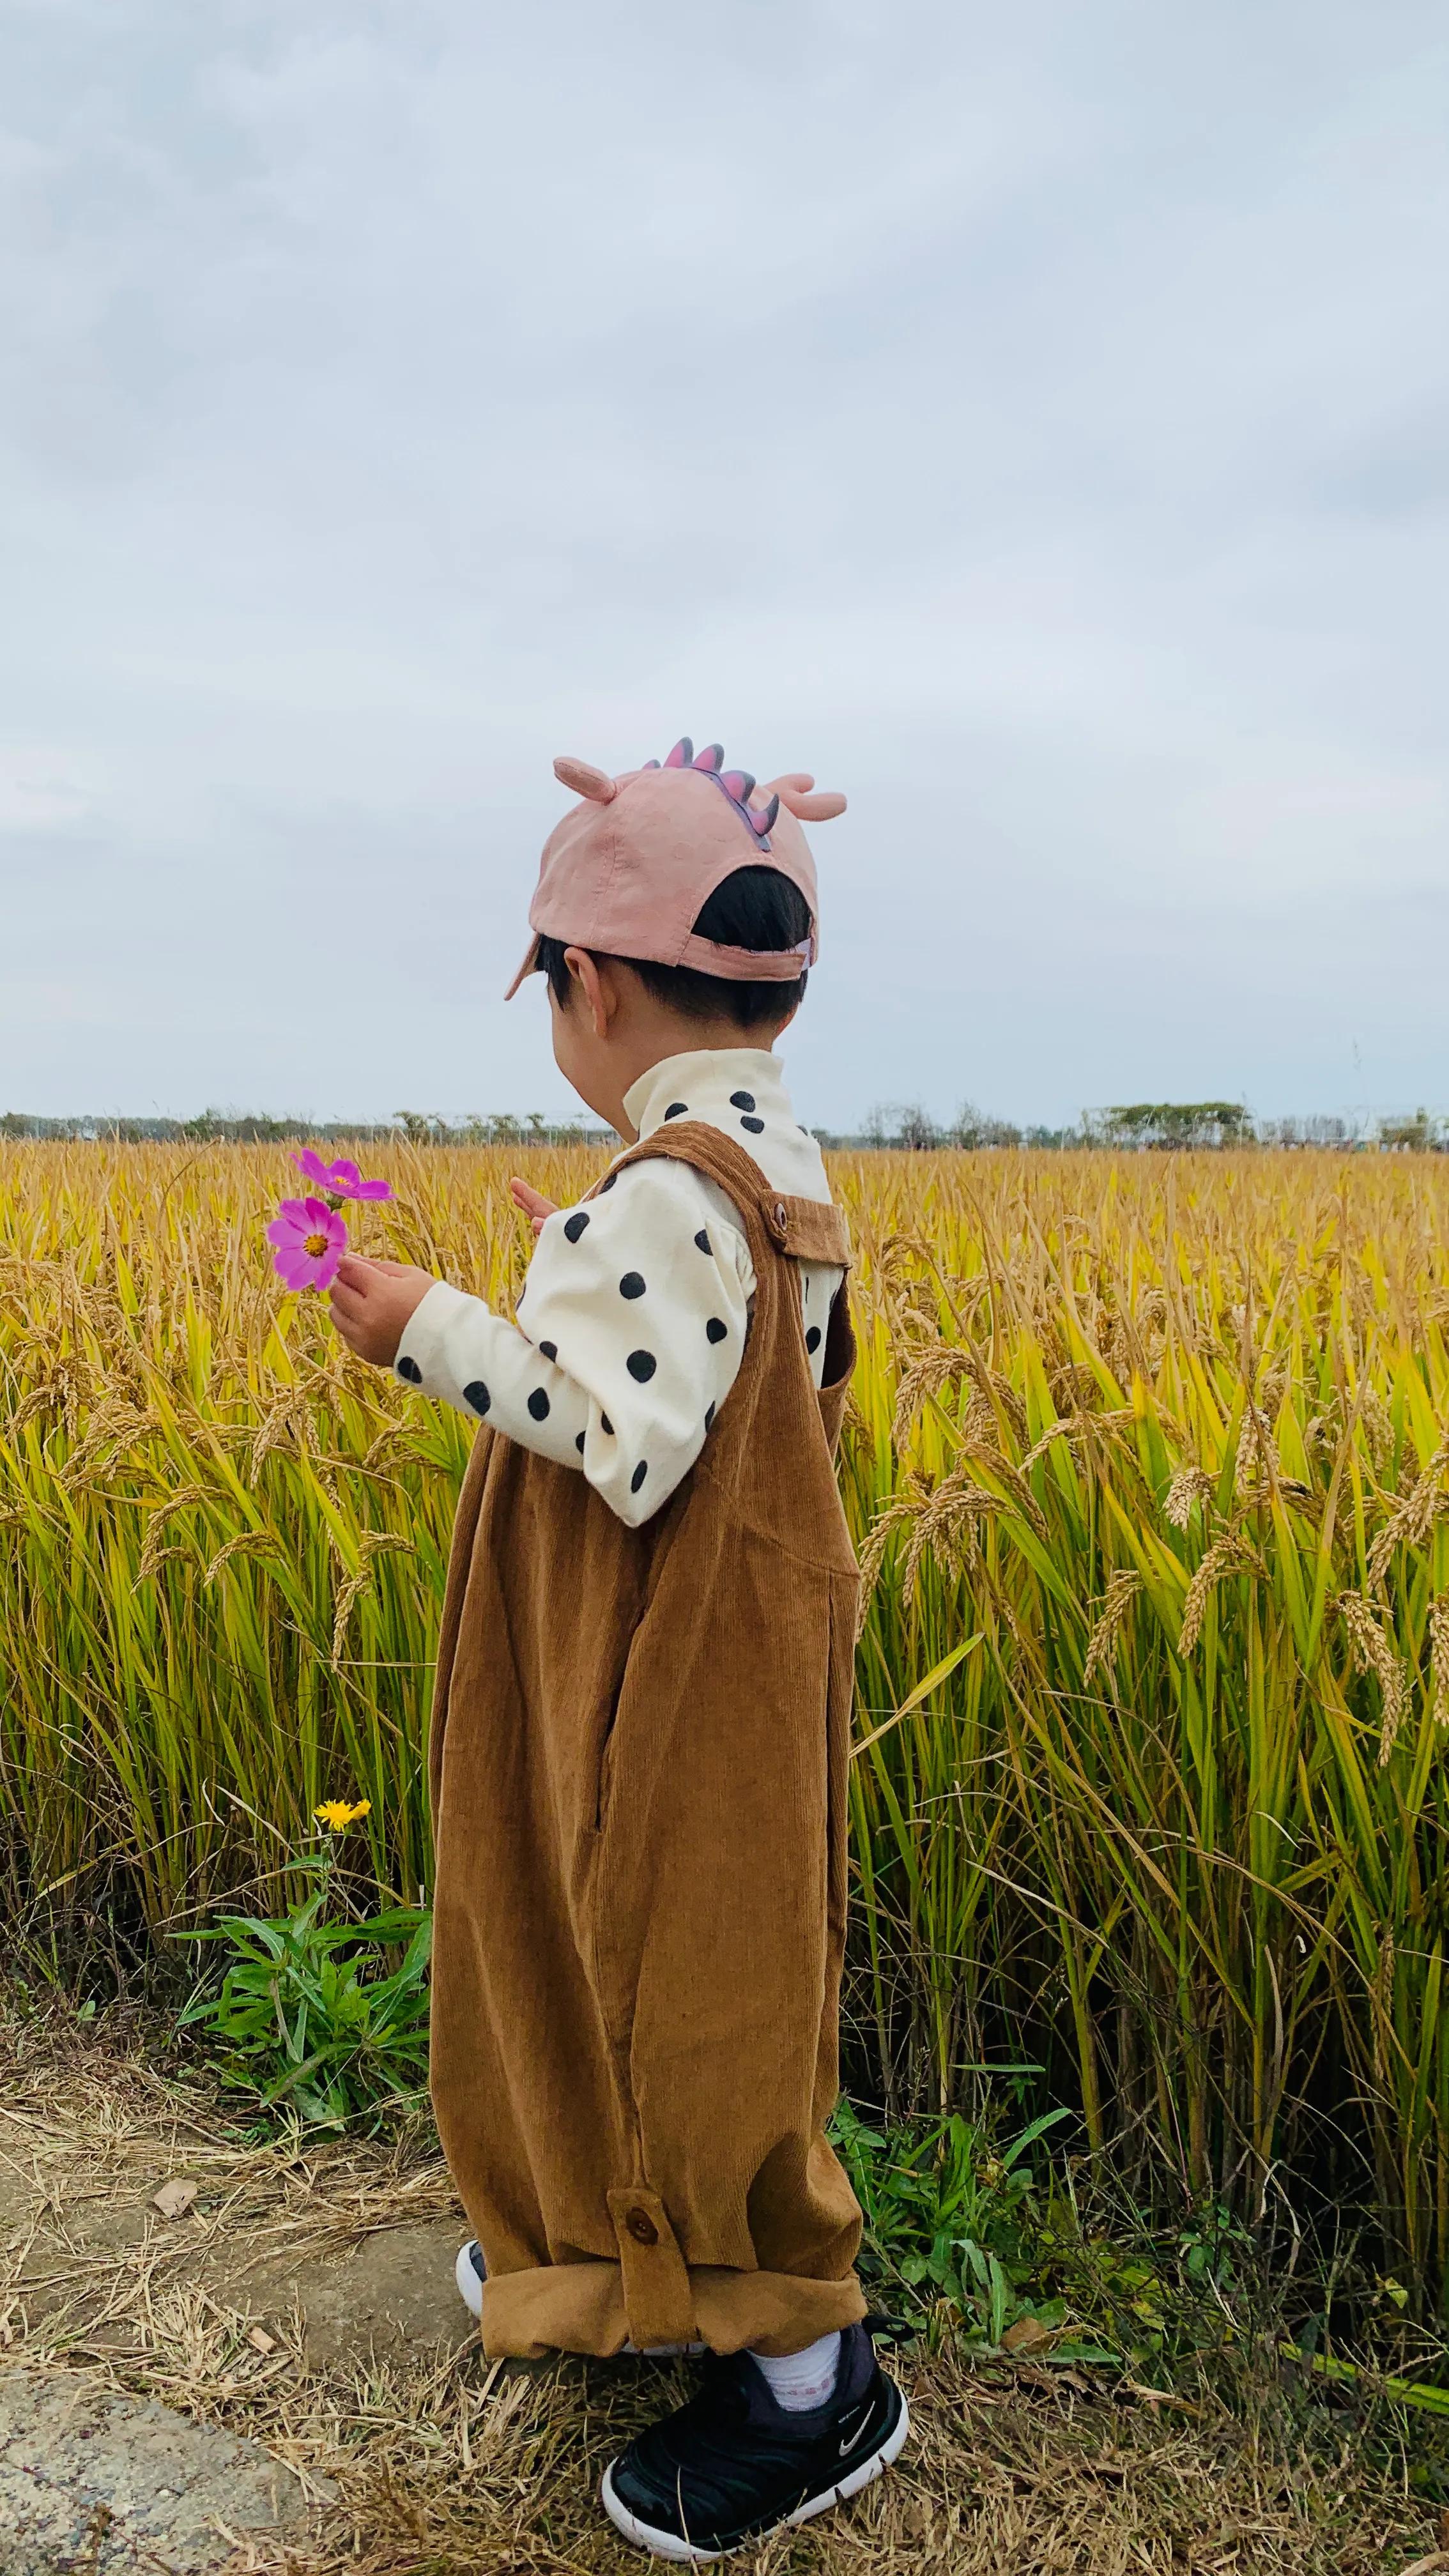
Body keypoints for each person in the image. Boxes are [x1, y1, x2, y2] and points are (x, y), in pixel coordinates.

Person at [327, 738, 908, 2559]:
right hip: (732, 1632)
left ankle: (809, 2395)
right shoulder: (759, 1143)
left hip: (658, 1650)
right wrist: (575, 1271)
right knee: (626, 1937)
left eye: (547, 988)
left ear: (585, 981)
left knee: (666, 1963)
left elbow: (626, 1437)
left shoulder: (665, 1184)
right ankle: (601, 2251)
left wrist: (424, 1322)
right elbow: (733, 1368)